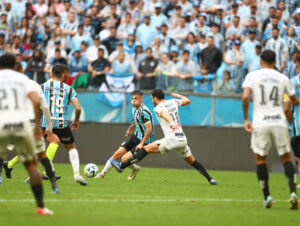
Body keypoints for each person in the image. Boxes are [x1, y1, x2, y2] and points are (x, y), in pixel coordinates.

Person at [110, 89, 217, 186]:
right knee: (192, 161)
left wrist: (171, 123)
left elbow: (165, 113)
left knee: (145, 149)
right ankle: (210, 179)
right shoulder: (173, 102)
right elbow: (187, 101)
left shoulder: (158, 107)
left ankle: (122, 166)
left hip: (172, 139)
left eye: (152, 98)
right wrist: (178, 95)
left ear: (155, 98)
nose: (152, 100)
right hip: (182, 139)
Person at [242, 50, 299, 209]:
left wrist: (246, 118)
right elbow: (294, 100)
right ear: (275, 62)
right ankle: (293, 193)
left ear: (260, 61)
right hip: (279, 121)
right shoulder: (283, 78)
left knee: (261, 160)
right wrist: (296, 101)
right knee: (286, 158)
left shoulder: (252, 76)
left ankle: (267, 197)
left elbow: (246, 96)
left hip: (260, 123)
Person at [0, 54, 53, 215]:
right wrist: (37, 126)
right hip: (21, 124)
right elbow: (36, 102)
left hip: (2, 122)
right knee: (32, 166)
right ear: (15, 66)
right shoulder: (24, 80)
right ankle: (41, 207)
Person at [3, 77, 60, 193]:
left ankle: (6, 167)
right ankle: (54, 185)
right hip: (33, 124)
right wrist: (49, 128)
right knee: (42, 156)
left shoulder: (11, 84)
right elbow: (45, 107)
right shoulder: (35, 85)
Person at [41, 64, 87, 186]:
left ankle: (35, 173)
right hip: (61, 125)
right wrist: (76, 121)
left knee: (36, 147)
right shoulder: (69, 89)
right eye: (68, 73)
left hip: (45, 124)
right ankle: (77, 175)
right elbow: (77, 108)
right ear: (63, 74)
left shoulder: (42, 87)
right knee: (71, 148)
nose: (68, 76)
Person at [96, 90, 154, 180]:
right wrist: (130, 129)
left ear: (141, 99)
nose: (133, 101)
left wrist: (142, 143)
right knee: (117, 154)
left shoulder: (145, 111)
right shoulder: (134, 108)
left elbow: (149, 129)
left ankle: (135, 168)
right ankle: (101, 175)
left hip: (145, 141)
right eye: (132, 99)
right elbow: (136, 120)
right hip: (135, 136)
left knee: (124, 159)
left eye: (136, 99)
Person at [284, 54, 300, 189]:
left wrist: (290, 122)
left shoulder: (293, 82)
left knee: (298, 150)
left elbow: (286, 109)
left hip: (298, 122)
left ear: (296, 64)